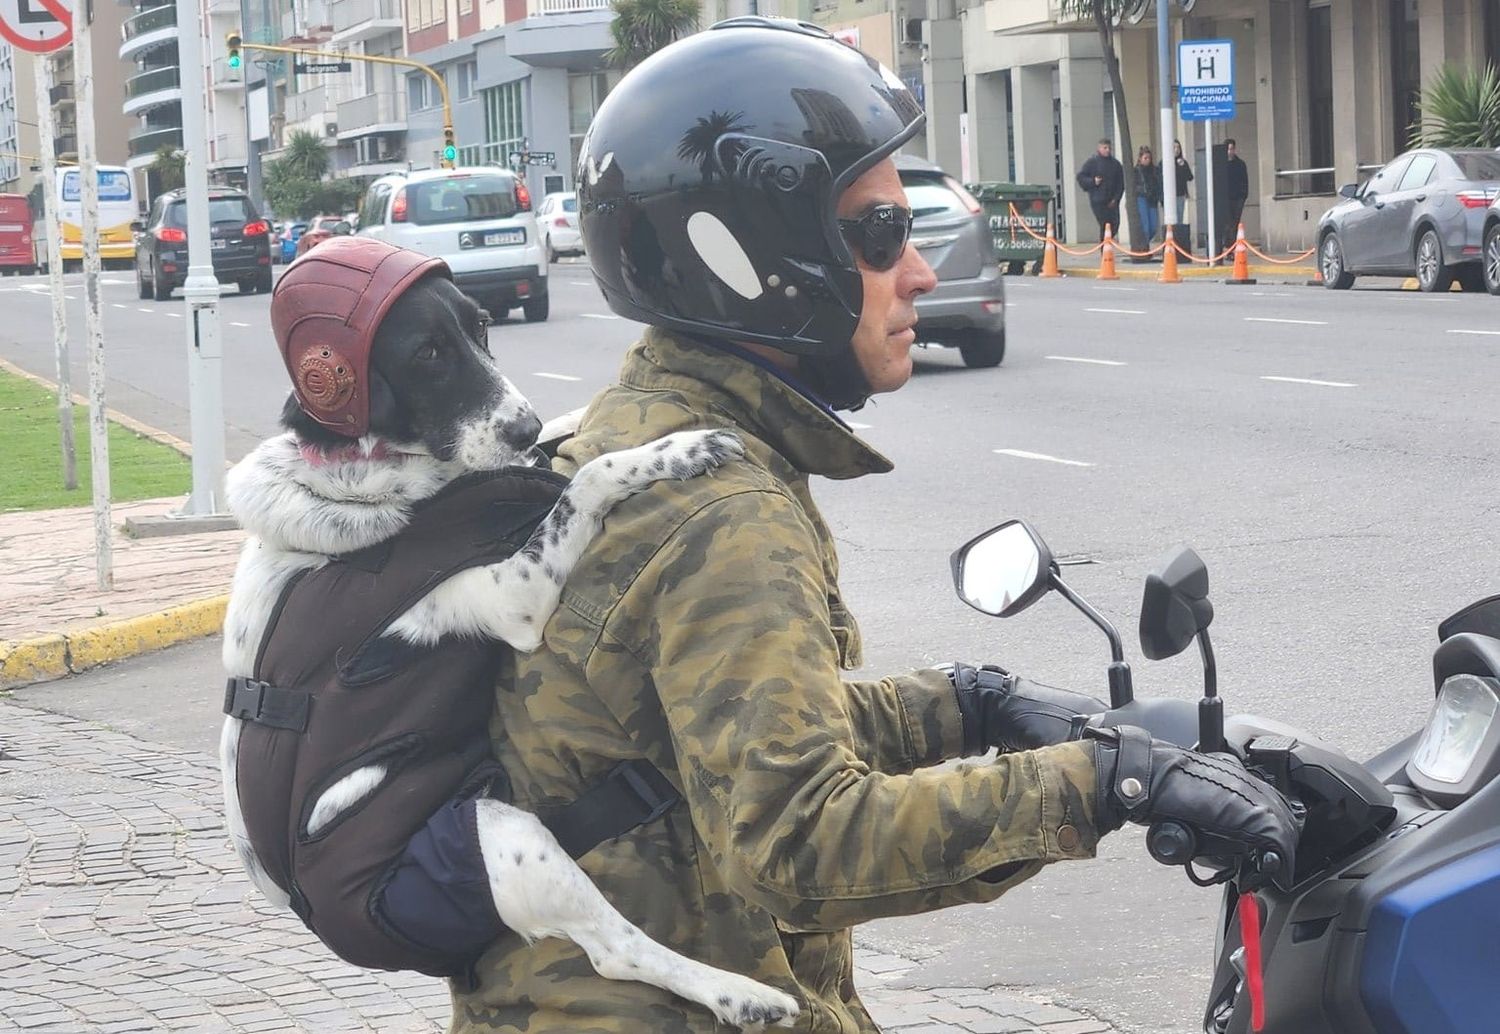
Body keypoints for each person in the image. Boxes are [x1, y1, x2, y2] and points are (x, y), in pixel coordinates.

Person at [456, 18, 1299, 1033]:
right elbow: (799, 840)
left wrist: (974, 704)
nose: (922, 273)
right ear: (767, 255)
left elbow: (722, 737)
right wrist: (1098, 782)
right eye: (882, 235)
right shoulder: (718, 510)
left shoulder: (632, 439)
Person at [1077, 138, 1125, 241]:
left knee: (1115, 224)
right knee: (1105, 224)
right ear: (1099, 148)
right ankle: (1104, 249)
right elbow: (1081, 177)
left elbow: (1120, 184)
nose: (1107, 150)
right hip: (1098, 200)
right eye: (1105, 148)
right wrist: (1093, 182)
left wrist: (1116, 199)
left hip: (1112, 200)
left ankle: (1106, 243)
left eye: (1109, 148)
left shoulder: (1116, 164)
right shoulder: (1092, 162)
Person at [1133, 145, 1163, 251]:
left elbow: (1159, 184)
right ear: (1140, 159)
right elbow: (1134, 186)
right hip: (1142, 198)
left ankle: (1145, 242)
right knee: (1145, 225)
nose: (1147, 160)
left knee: (1153, 226)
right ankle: (1145, 247)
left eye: (1149, 158)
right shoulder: (1136, 171)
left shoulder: (1155, 170)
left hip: (1152, 199)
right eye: (1145, 158)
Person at [1224, 138, 1250, 246]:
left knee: (1235, 221)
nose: (1230, 152)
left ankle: (1233, 245)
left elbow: (1245, 180)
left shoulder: (1240, 164)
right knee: (1229, 223)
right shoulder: (1221, 165)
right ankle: (1230, 245)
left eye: (1232, 149)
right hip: (1226, 198)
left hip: (1238, 197)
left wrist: (1244, 195)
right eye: (1228, 149)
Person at [1172, 138, 1194, 226]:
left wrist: (1183, 166)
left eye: (1178, 147)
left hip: (1180, 194)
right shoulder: (1167, 162)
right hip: (1170, 195)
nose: (1176, 150)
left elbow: (1190, 177)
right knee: (1172, 218)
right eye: (1174, 147)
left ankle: (1178, 236)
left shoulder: (1182, 162)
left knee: (1179, 217)